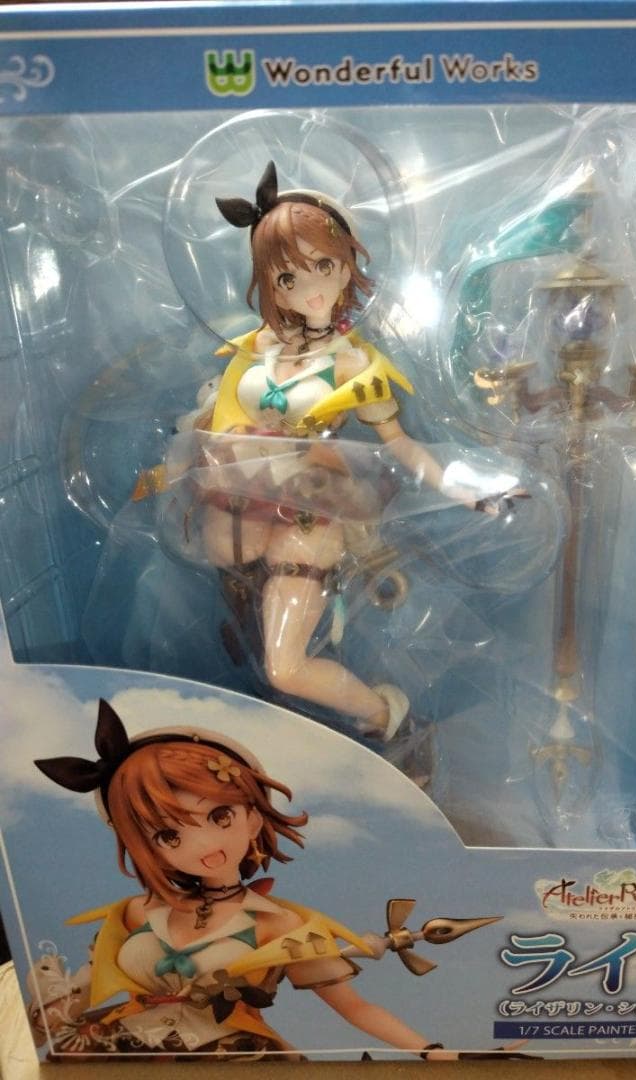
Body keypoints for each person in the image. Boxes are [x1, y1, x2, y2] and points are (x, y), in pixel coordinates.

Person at [191, 160, 493, 749]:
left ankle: (386, 717)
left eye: (323, 266)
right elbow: (221, 420)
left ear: (347, 263)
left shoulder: (354, 363)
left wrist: (461, 487)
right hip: (242, 503)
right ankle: (285, 735)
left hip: (310, 510)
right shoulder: (254, 347)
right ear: (269, 283)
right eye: (286, 276)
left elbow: (399, 443)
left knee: (285, 667)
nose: (308, 288)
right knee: (237, 597)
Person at [33, 699, 453, 1059]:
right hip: (119, 1049)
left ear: (253, 818)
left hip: (231, 1057)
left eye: (220, 816)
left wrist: (431, 1051)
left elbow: (354, 1008)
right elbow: (74, 998)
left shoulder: (279, 924)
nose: (203, 844)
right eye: (169, 835)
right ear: (148, 848)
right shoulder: (134, 914)